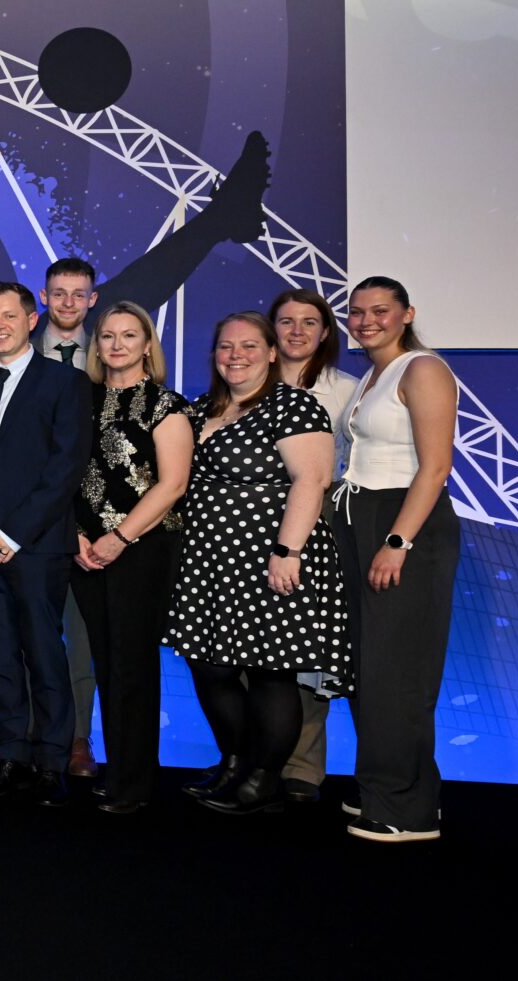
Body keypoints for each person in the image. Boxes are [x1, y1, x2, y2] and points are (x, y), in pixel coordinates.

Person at [167, 311, 351, 814]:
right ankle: (235, 759)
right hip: (208, 561)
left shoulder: (293, 406)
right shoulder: (202, 408)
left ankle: (263, 777)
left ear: (272, 353)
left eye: (249, 346)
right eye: (226, 347)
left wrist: (287, 552)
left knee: (271, 672)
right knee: (209, 666)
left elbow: (311, 481)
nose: (236, 356)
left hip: (271, 557)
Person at [0, 280, 91, 808]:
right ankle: (12, 750)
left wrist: (13, 535)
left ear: (31, 319)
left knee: (42, 653)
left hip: (35, 548)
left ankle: (51, 759)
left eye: (9, 316)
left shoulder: (65, 383)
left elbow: (65, 470)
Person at [335, 277, 460, 843]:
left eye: (380, 311)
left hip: (403, 526)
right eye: (357, 312)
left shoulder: (423, 369)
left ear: (406, 313)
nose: (366, 321)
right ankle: (387, 794)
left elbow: (434, 467)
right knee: (373, 671)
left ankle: (406, 812)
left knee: (399, 672)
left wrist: (398, 541)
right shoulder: (374, 374)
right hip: (363, 520)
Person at [70, 302, 192, 814]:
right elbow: (66, 474)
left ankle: (135, 782)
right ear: (96, 346)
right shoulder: (81, 401)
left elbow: (173, 484)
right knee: (106, 661)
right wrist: (77, 534)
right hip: (85, 551)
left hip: (142, 548)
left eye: (129, 335)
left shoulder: (166, 405)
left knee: (133, 666)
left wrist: (119, 537)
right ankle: (117, 770)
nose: (116, 345)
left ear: (147, 345)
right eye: (107, 336)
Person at [269, 287, 360, 802]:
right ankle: (256, 757)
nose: (297, 331)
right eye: (286, 321)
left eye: (310, 322)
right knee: (248, 648)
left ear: (326, 332)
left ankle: (302, 768)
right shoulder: (245, 384)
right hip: (249, 527)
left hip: (318, 527)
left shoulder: (349, 391)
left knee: (305, 649)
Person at [42, 256, 102, 778]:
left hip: (91, 526)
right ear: (43, 296)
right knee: (30, 636)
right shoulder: (13, 352)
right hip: (30, 523)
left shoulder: (109, 359)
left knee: (80, 639)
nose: (67, 303)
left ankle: (78, 739)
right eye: (58, 292)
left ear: (92, 300)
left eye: (77, 294)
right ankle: (39, 734)